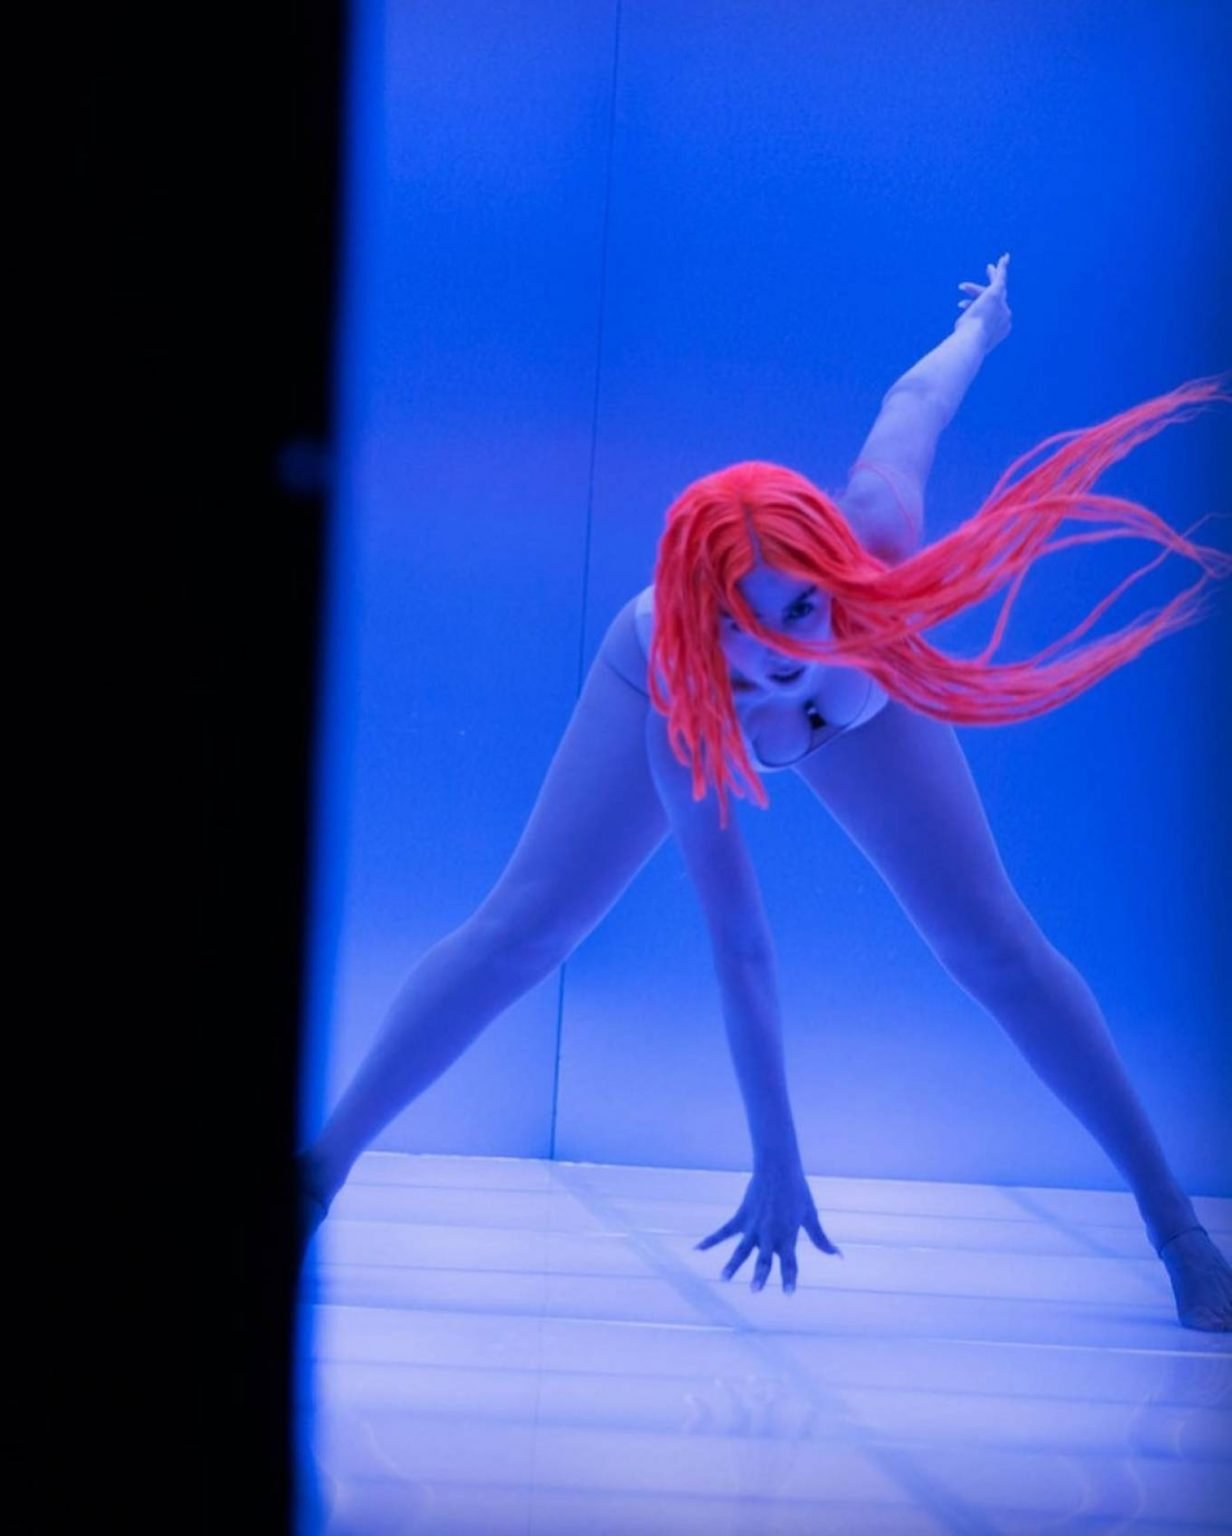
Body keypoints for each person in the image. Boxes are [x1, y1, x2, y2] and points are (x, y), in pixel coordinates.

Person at [296, 255, 1232, 1330]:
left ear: (833, 570)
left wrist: (981, 325)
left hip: (867, 702)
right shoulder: (679, 690)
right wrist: (776, 1154)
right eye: (742, 625)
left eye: (797, 609)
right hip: (685, 702)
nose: (779, 647)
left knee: (994, 945)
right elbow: (738, 939)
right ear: (705, 625)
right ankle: (312, 1179)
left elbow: (914, 402)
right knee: (526, 928)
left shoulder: (875, 531)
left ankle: (1176, 1229)